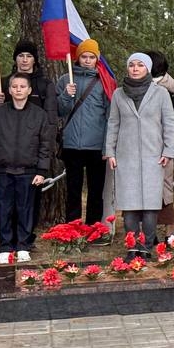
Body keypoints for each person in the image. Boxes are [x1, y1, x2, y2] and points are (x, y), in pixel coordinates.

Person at [106, 53, 174, 251]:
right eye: (131, 65)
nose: (135, 68)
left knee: (150, 207)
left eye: (140, 65)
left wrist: (169, 150)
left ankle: (146, 248)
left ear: (147, 68)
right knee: (129, 207)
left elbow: (169, 123)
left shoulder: (160, 93)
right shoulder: (118, 94)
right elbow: (113, 123)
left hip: (154, 157)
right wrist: (110, 152)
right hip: (126, 158)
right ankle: (133, 248)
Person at [0, 73, 53, 263]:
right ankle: (5, 245)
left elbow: (45, 144)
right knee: (4, 208)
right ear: (9, 90)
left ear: (29, 90)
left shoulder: (39, 114)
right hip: (3, 169)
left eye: (22, 86)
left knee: (26, 208)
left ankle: (23, 245)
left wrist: (42, 170)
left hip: (28, 171)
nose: (18, 90)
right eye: (15, 86)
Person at [58, 39, 110, 227]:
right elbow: (59, 111)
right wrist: (66, 95)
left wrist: (107, 147)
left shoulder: (104, 81)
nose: (87, 60)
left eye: (91, 57)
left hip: (96, 146)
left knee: (96, 191)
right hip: (72, 144)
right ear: (77, 58)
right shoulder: (66, 79)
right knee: (73, 190)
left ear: (97, 59)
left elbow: (110, 116)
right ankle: (72, 229)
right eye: (84, 56)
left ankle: (93, 228)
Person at [145, 50, 174, 235]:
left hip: (162, 145)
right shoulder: (137, 86)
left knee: (165, 187)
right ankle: (152, 230)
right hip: (147, 145)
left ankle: (169, 230)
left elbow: (170, 123)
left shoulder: (166, 89)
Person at [0, 40, 58, 123]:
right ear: (15, 59)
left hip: (36, 133)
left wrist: (48, 135)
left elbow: (51, 116)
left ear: (34, 60)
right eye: (21, 56)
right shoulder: (3, 83)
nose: (25, 60)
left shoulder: (45, 84)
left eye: (29, 56)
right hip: (9, 132)